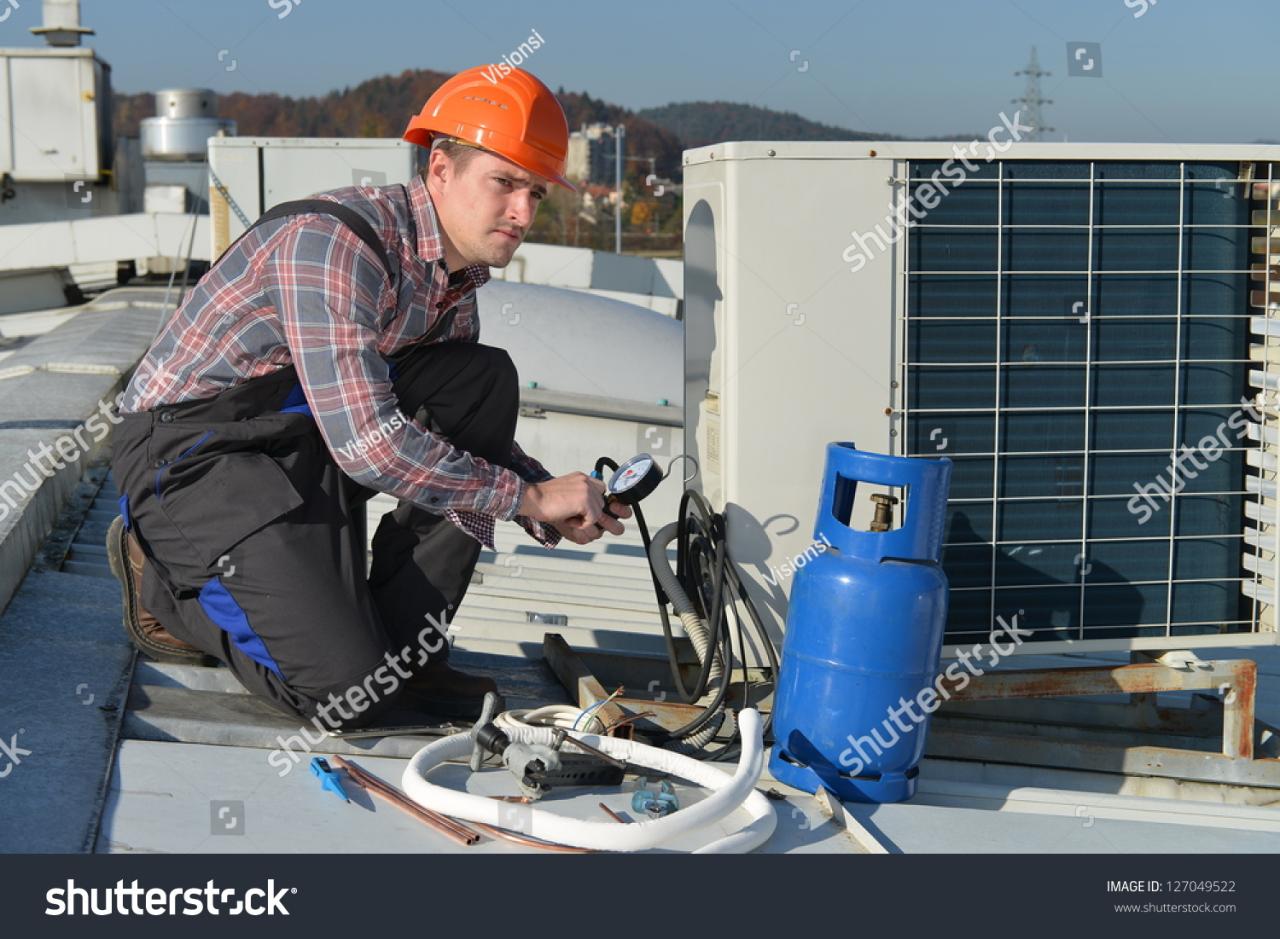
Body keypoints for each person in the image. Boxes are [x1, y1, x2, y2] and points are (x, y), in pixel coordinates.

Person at [105, 65, 631, 727]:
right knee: (348, 694)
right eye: (504, 183)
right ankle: (161, 580)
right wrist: (524, 497)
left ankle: (410, 654)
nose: (523, 213)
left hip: (300, 442)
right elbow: (369, 443)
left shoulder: (454, 280)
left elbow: (444, 431)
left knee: (480, 378)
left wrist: (546, 497)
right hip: (194, 457)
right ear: (441, 169)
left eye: (536, 193)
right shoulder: (333, 244)